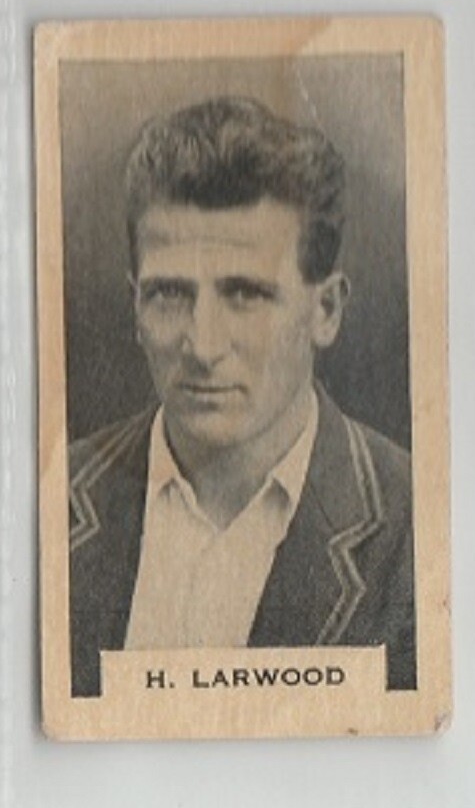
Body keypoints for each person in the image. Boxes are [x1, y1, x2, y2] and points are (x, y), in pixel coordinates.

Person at [69, 96, 416, 697]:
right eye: (169, 294)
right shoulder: (47, 503)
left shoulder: (420, 528)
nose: (202, 346)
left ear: (326, 310)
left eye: (245, 294)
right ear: (134, 307)